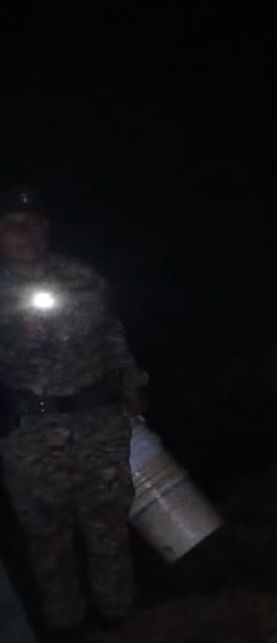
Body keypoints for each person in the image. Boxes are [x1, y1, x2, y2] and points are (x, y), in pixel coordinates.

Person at [0, 184, 147, 639]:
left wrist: (133, 389)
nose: (28, 234)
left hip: (97, 423)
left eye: (35, 224)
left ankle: (121, 622)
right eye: (15, 227)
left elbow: (113, 338)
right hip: (31, 435)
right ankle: (68, 628)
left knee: (109, 529)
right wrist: (12, 340)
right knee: (49, 543)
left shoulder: (82, 278)